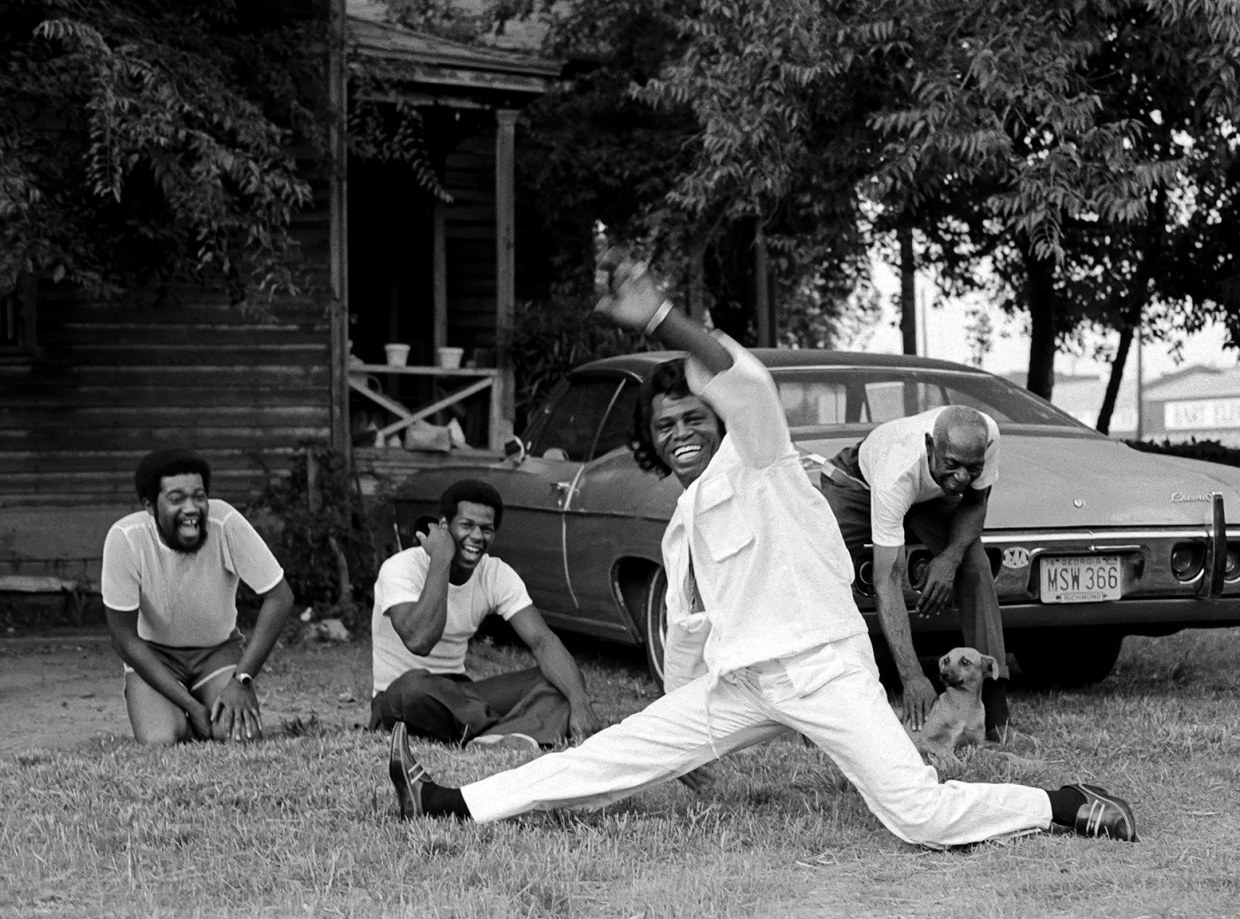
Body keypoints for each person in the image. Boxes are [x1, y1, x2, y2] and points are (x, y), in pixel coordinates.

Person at [383, 256, 1138, 847]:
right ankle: (450, 801)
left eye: (692, 416)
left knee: (917, 816)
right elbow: (686, 636)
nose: (681, 431)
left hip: (823, 668)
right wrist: (689, 741)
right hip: (744, 683)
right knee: (614, 752)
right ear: (646, 440)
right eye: (665, 424)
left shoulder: (762, 460)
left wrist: (663, 319)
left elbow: (743, 383)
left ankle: (1062, 803)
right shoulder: (682, 524)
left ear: (715, 422)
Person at [817, 405, 1015, 740]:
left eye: (972, 468)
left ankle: (996, 713)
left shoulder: (987, 435)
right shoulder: (898, 472)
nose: (963, 477)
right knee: (828, 578)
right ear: (929, 446)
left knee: (975, 564)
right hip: (857, 486)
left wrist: (949, 559)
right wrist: (912, 677)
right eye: (952, 464)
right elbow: (887, 580)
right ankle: (825, 706)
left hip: (929, 494)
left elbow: (975, 502)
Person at [369, 479, 598, 750]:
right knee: (410, 687)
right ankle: (512, 726)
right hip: (401, 698)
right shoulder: (400, 568)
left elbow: (542, 641)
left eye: (486, 529)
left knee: (562, 680)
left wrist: (580, 702)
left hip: (461, 694)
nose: (477, 536)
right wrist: (441, 558)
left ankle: (491, 739)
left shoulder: (495, 573)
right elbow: (419, 640)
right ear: (444, 526)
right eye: (467, 525)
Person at [101, 449, 294, 745]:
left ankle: (206, 702)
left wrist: (241, 680)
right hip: (156, 657)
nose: (191, 508)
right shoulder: (126, 538)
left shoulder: (225, 523)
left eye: (199, 496)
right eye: (176, 499)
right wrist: (193, 708)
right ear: (150, 505)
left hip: (217, 652)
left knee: (240, 737)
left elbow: (280, 597)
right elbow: (123, 639)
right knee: (160, 740)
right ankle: (176, 709)